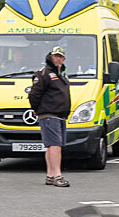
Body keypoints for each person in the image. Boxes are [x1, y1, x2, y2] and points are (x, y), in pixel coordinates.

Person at [28, 46, 71, 187]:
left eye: (60, 56)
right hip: (49, 114)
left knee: (52, 146)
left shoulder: (62, 73)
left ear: (64, 59)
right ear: (50, 57)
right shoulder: (44, 73)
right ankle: (58, 176)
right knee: (55, 145)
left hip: (60, 115)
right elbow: (34, 94)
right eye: (55, 56)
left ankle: (50, 175)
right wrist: (37, 109)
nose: (58, 59)